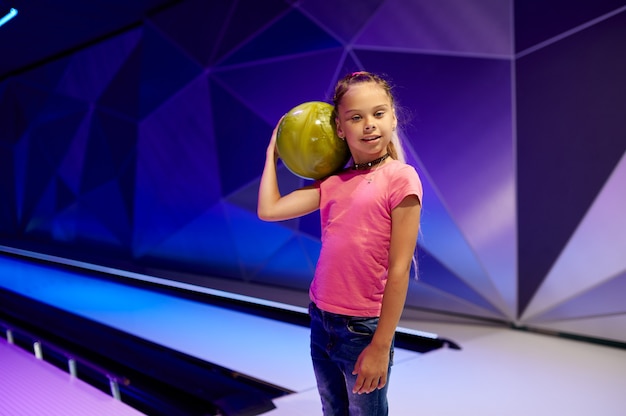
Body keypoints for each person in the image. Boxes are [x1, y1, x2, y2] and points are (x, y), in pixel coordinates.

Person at [258, 71, 422, 416]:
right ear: (339, 128)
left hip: (363, 328)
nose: (369, 125)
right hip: (321, 317)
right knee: (332, 411)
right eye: (355, 118)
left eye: (378, 114)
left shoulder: (400, 178)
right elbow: (269, 209)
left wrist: (381, 345)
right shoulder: (334, 182)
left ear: (393, 117)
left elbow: (399, 270)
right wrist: (274, 153)